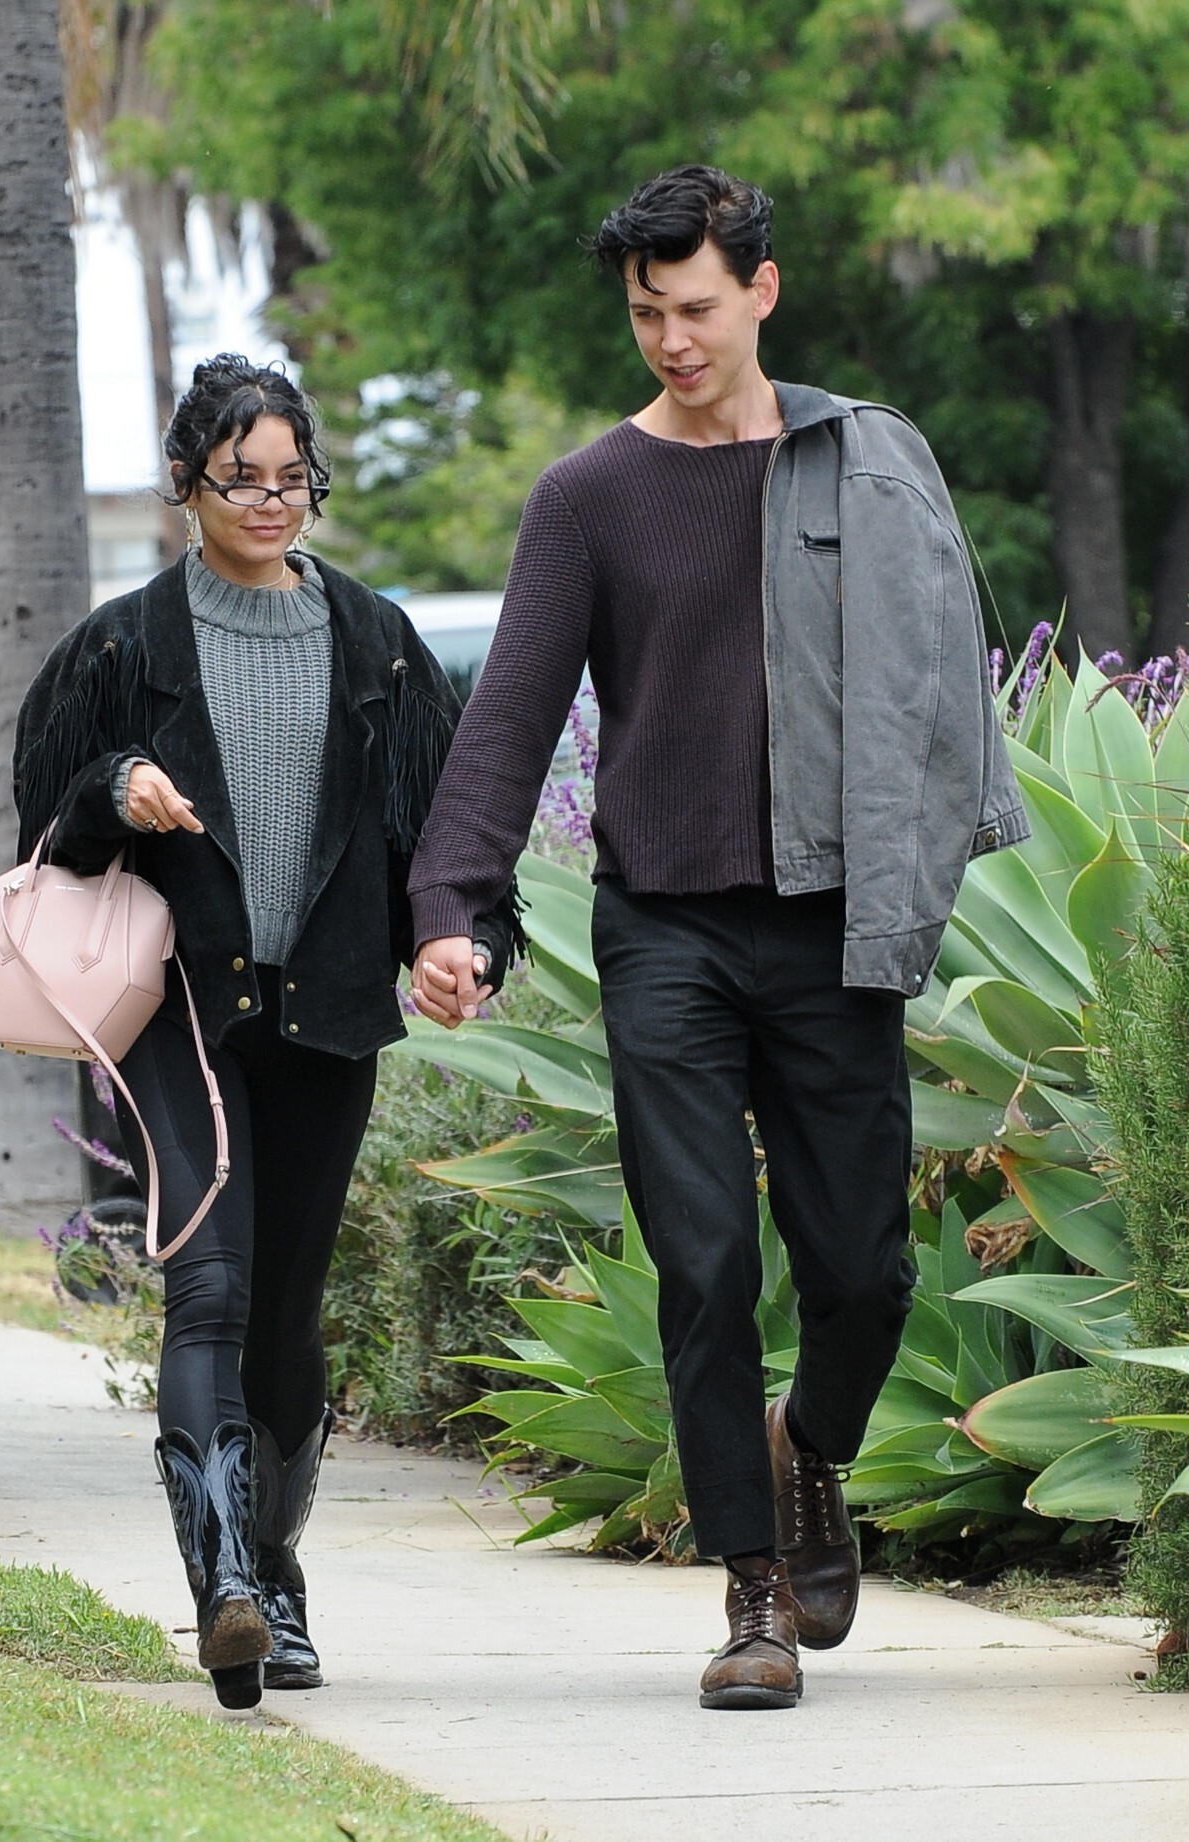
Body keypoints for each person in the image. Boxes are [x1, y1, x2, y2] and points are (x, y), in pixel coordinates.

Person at [408, 166, 1027, 1711]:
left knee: (865, 1271)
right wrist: (451, 911)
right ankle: (753, 1594)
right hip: (665, 930)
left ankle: (806, 1443)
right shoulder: (589, 497)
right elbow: (510, 718)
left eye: (694, 308)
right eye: (646, 314)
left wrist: (931, 852)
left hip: (829, 923)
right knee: (699, 1261)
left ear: (762, 289)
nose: (672, 340)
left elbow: (938, 673)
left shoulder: (862, 464)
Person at [13, 355, 518, 1710]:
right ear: (189, 483)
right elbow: (45, 826)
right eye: (241, 478)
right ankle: (224, 1583)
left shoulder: (377, 639)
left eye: (292, 478)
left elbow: (446, 826)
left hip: (329, 1013)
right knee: (211, 1287)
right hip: (183, 1012)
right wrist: (115, 785)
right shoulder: (124, 646)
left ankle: (276, 1574)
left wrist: (461, 938)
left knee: (286, 1313)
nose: (270, 500)